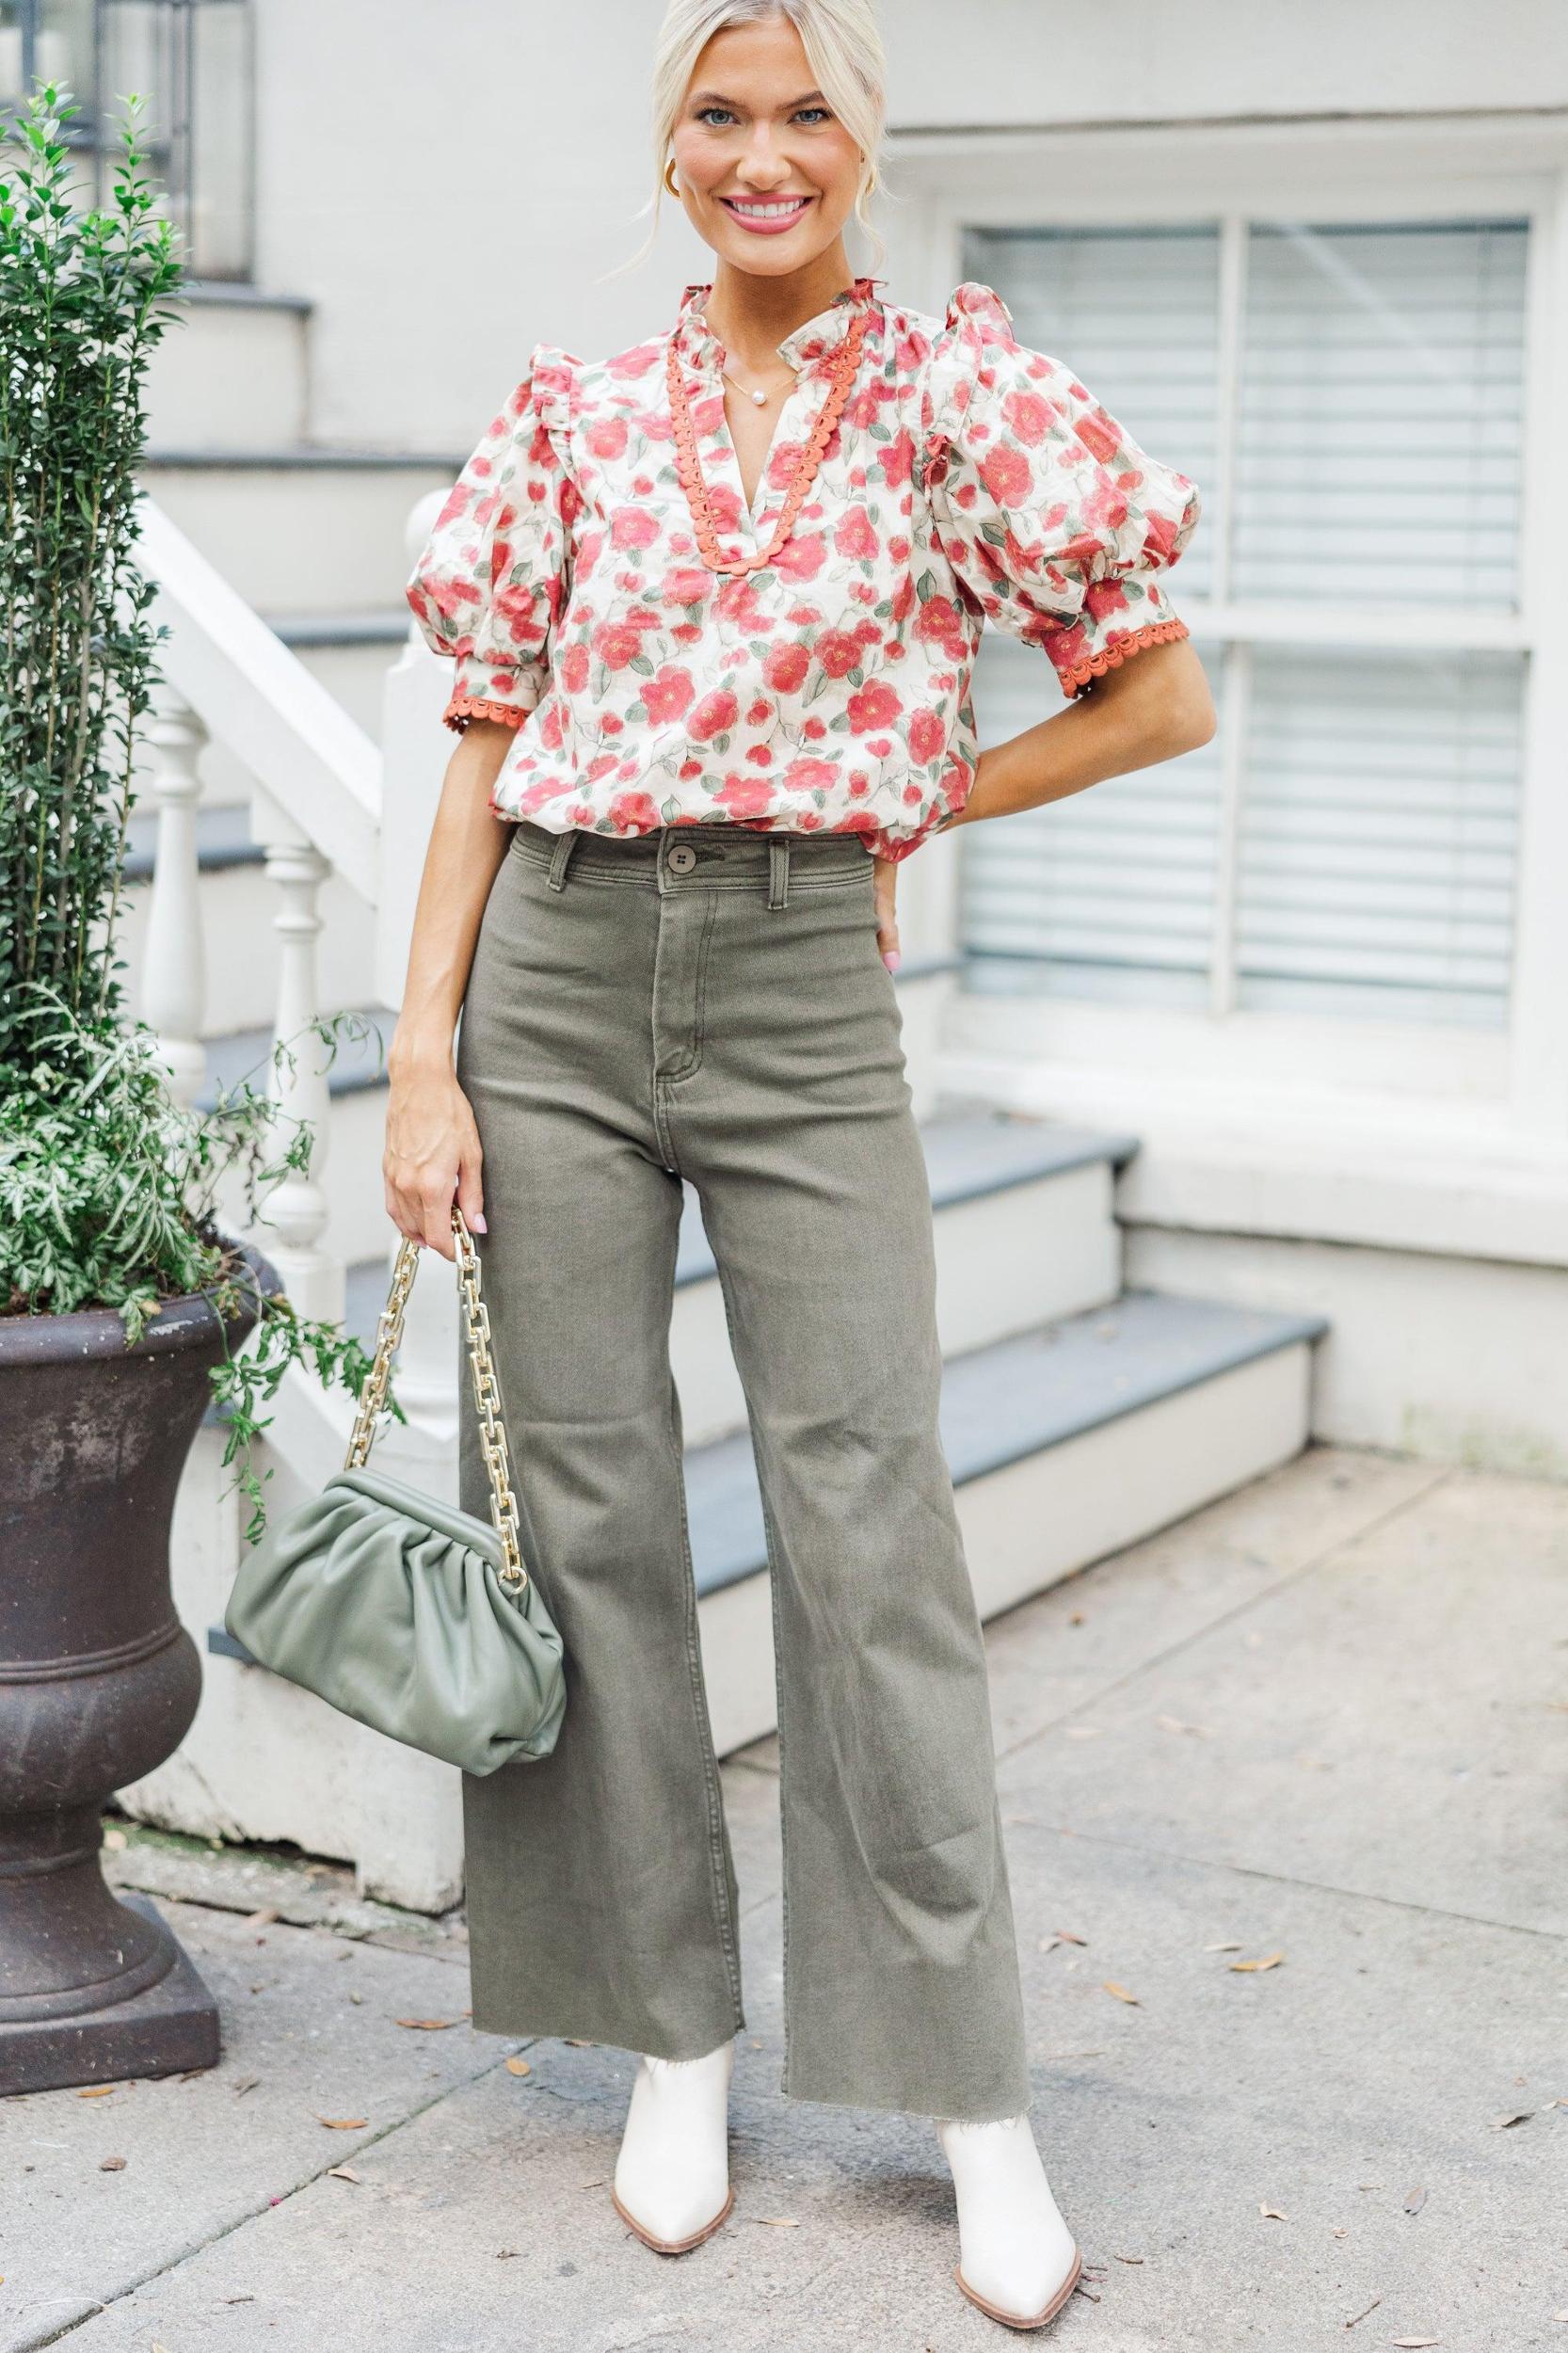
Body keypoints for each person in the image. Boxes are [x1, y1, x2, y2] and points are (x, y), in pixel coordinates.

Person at [388, 0, 1212, 2330]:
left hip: (793, 989)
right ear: (669, 155)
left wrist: (917, 792)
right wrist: (423, 1061)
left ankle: (972, 2102)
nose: (766, 154)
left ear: (862, 146)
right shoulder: (573, 411)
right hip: (550, 973)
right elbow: (475, 750)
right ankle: (673, 2031)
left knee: (874, 1531)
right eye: (719, 117)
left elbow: (1155, 688)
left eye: (805, 116)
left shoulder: (960, 397)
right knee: (592, 1515)